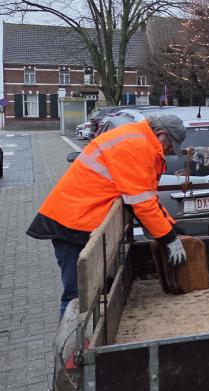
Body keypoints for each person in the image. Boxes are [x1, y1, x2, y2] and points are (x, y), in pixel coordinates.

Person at [27, 115, 188, 316]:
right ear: (162, 134)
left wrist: (171, 228)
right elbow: (141, 204)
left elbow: (147, 198)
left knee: (89, 293)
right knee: (77, 299)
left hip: (81, 218)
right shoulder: (137, 146)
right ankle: (73, 347)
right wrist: (169, 238)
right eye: (170, 146)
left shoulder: (138, 139)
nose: (169, 151)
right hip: (71, 223)